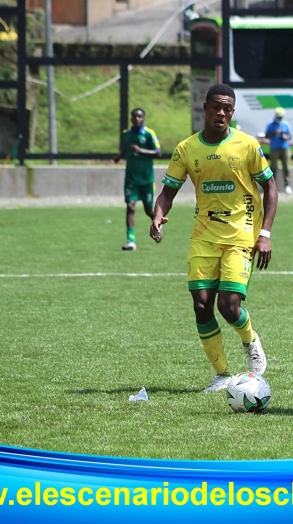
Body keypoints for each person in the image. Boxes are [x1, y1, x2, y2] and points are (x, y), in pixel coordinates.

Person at [150, 83, 279, 392]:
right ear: (205, 108)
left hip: (241, 235)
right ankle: (222, 374)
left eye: (227, 109)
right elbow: (168, 192)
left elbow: (270, 188)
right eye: (216, 107)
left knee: (229, 306)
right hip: (203, 237)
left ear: (232, 112)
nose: (221, 113)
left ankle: (250, 342)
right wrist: (157, 214)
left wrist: (264, 234)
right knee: (201, 305)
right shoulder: (186, 149)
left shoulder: (247, 145)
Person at [114, 108, 161, 250]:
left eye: (140, 116)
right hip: (131, 179)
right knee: (130, 207)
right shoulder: (126, 135)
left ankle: (158, 223)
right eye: (134, 116)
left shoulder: (149, 134)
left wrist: (141, 150)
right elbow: (125, 148)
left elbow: (158, 153)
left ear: (144, 118)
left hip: (146, 179)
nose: (137, 119)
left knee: (148, 210)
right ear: (131, 119)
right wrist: (119, 156)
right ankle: (131, 241)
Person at [265, 107, 293, 194]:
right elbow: (267, 135)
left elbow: (290, 136)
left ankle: (287, 185)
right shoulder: (270, 124)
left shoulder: (286, 124)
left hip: (285, 147)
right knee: (273, 167)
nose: (279, 119)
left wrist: (285, 136)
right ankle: (272, 185)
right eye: (278, 117)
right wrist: (274, 133)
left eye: (280, 117)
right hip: (274, 148)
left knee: (286, 167)